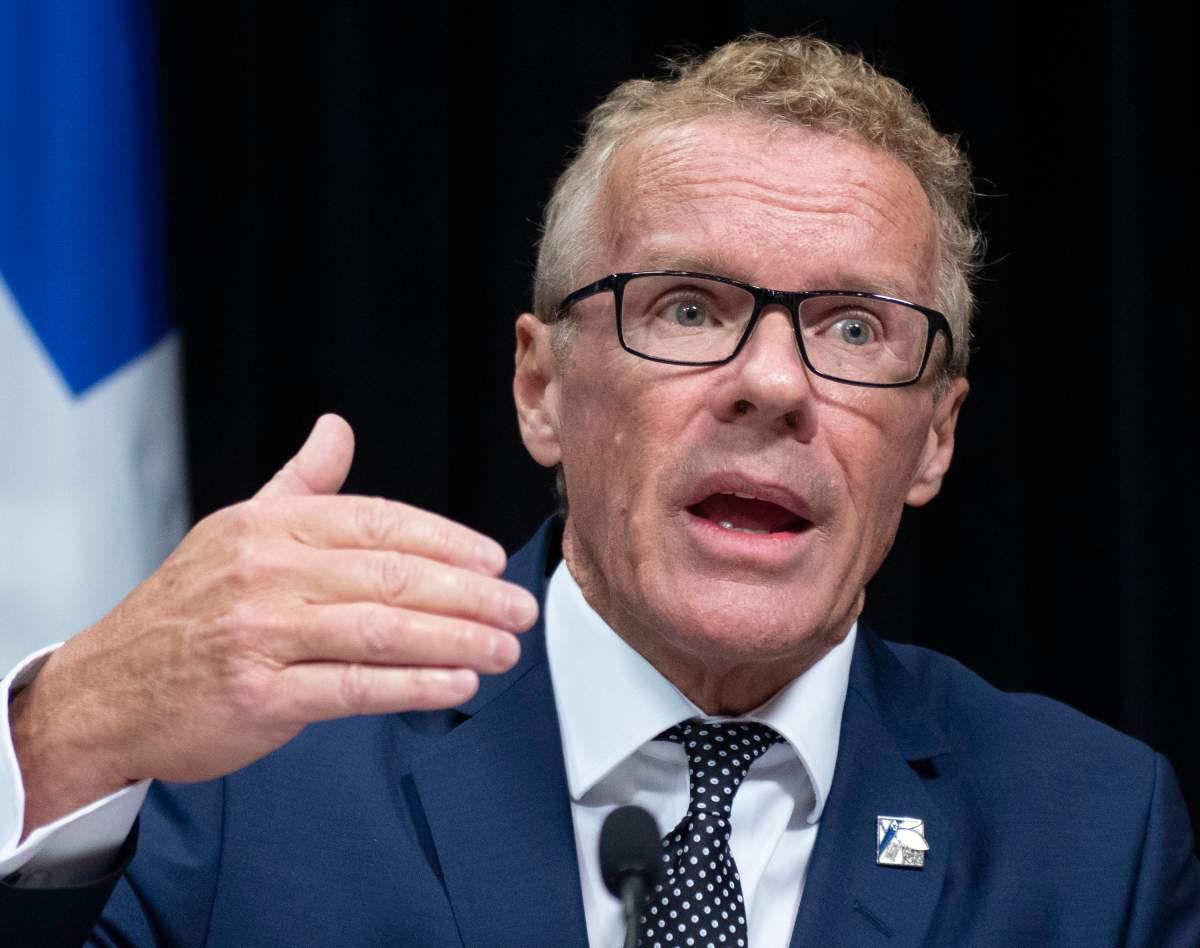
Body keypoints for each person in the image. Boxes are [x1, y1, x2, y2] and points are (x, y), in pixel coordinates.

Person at [2, 34, 1197, 947]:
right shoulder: (249, 775)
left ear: (934, 437)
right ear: (541, 388)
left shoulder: (1091, 833)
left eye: (852, 327)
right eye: (688, 309)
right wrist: (61, 734)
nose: (774, 383)